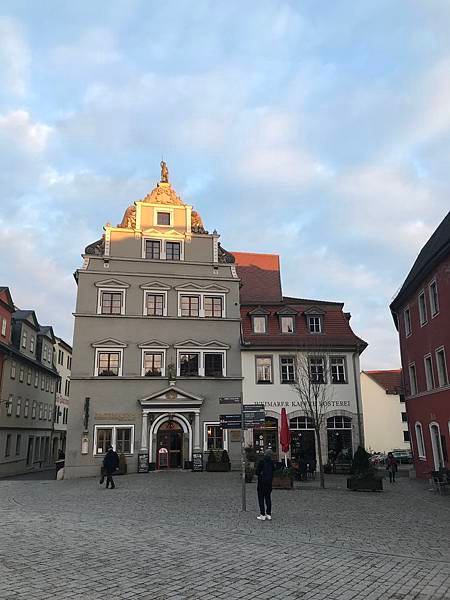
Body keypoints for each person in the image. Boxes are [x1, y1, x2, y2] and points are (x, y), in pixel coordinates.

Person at [255, 448, 274, 521]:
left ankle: (262, 514)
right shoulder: (271, 462)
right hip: (269, 483)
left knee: (261, 498)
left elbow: (257, 472)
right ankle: (268, 514)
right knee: (268, 498)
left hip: (261, 483)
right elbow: (273, 471)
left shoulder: (261, 461)